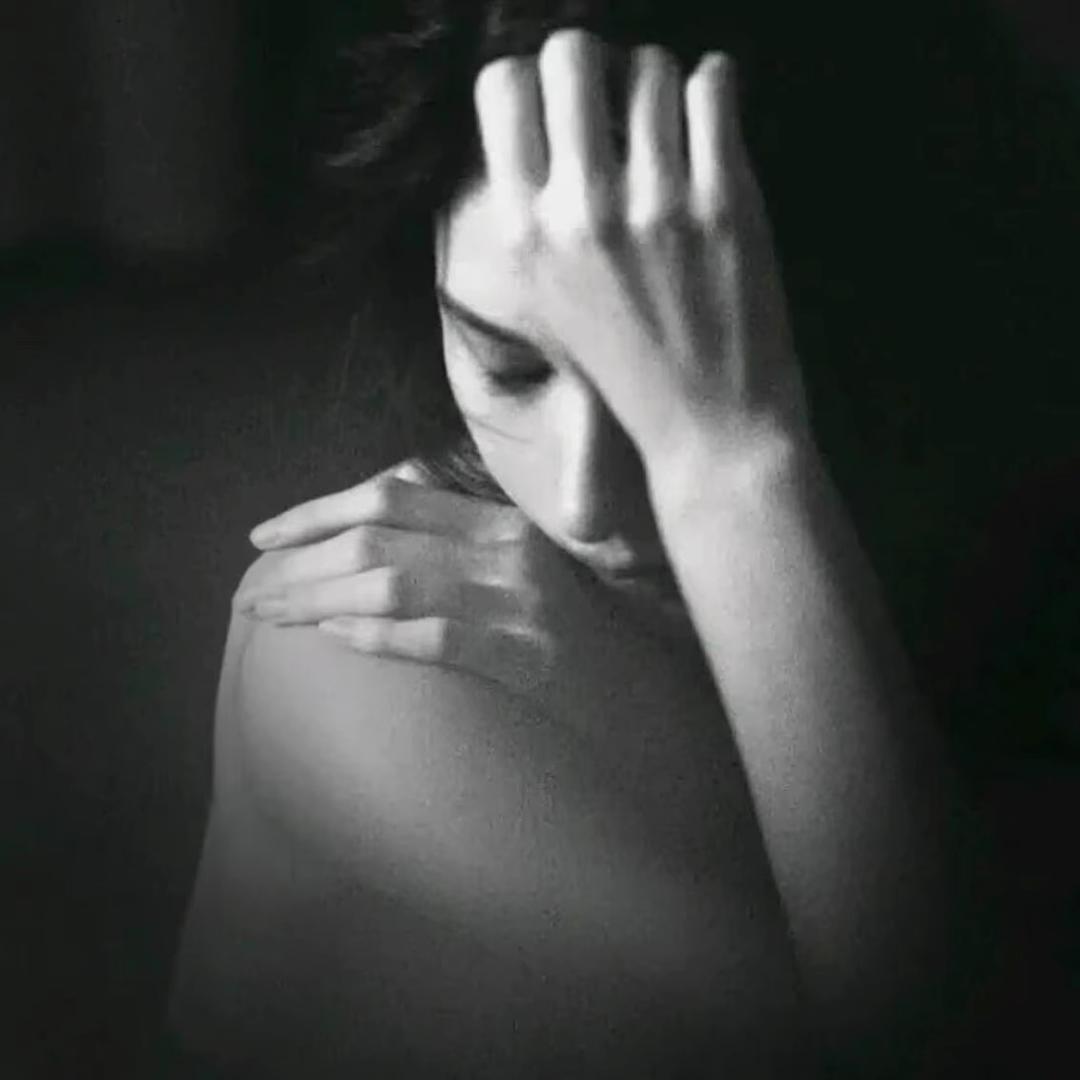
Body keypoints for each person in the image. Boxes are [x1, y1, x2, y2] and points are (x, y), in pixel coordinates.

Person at [167, 3, 998, 1076]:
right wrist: (729, 461)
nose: (583, 502)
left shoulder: (933, 510)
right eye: (510, 366)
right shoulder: (355, 642)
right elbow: (948, 1038)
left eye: (685, 372)